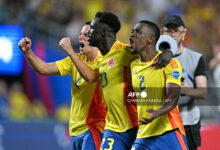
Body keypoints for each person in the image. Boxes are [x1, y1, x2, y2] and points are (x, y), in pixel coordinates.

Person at [59, 11, 172, 150]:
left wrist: (167, 53)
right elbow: (90, 77)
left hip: (134, 126)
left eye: (93, 29)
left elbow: (151, 51)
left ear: (103, 32)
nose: (89, 33)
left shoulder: (125, 53)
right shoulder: (100, 58)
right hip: (112, 129)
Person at [18, 21, 106, 150]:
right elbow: (43, 68)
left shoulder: (105, 61)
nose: (81, 37)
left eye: (86, 34)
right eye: (80, 34)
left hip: (95, 129)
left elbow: (91, 77)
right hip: (75, 131)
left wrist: (70, 51)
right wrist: (27, 52)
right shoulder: (75, 60)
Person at [129, 20, 188, 150]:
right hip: (143, 136)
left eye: (137, 32)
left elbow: (173, 97)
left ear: (150, 39)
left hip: (169, 132)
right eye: (132, 31)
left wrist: (156, 113)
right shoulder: (133, 65)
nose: (132, 35)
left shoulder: (169, 63)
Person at [161, 15, 208, 150]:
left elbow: (203, 91)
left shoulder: (196, 58)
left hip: (187, 121)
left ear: (184, 33)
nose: (172, 34)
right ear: (162, 33)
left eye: (176, 30)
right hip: (162, 121)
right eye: (168, 31)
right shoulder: (154, 58)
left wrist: (185, 90)